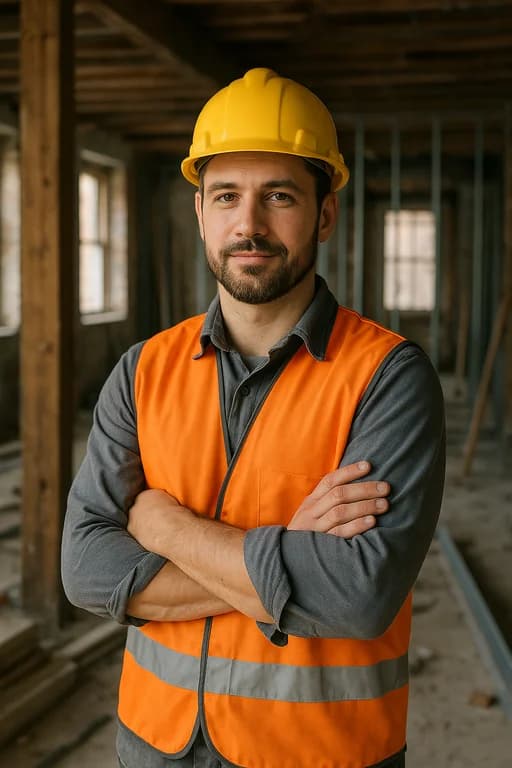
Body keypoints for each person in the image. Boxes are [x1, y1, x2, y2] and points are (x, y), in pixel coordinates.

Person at [62, 68, 445, 768]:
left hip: (317, 755)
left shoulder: (388, 377)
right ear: (201, 212)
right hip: (152, 745)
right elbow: (85, 569)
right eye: (227, 197)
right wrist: (288, 561)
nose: (250, 224)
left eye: (279, 196)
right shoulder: (143, 369)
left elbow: (357, 598)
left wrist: (164, 525)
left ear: (325, 213)